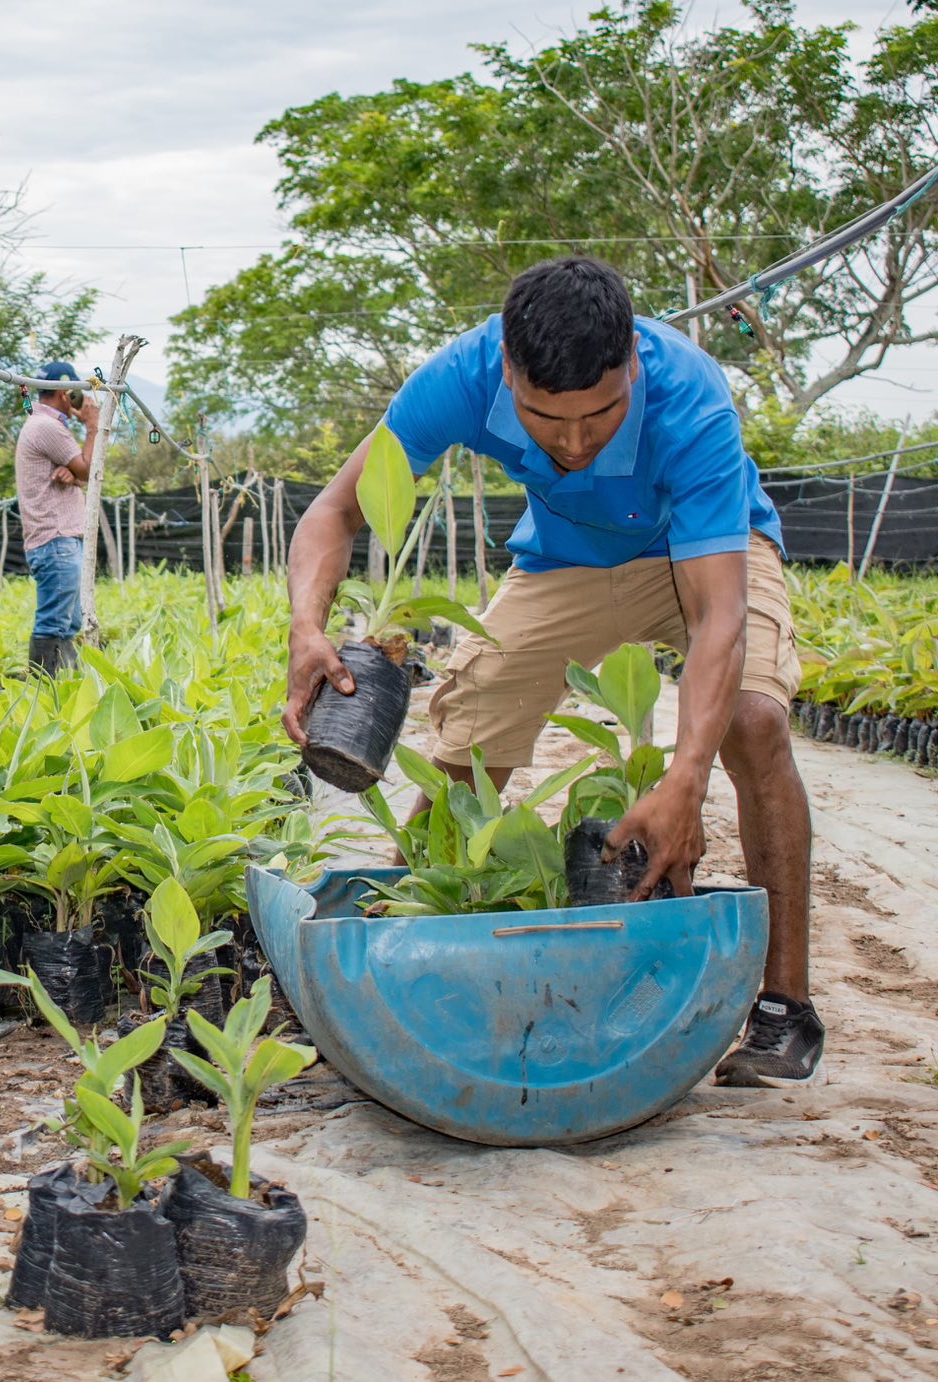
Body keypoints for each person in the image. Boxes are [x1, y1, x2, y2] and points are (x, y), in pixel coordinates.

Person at [282, 256, 820, 1088]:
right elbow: (335, 508)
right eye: (545, 420)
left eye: (600, 416)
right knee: (470, 733)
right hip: (566, 561)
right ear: (507, 370)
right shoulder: (459, 377)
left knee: (752, 720)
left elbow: (718, 613)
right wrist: (306, 626)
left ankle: (786, 1006)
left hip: (702, 551)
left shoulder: (691, 397)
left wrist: (686, 777)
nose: (572, 443)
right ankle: (409, 949)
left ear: (632, 363)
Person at [13, 361, 103, 673]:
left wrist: (73, 474)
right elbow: (90, 470)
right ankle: (43, 688)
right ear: (66, 393)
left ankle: (64, 686)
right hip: (56, 539)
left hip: (60, 540)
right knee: (54, 622)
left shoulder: (43, 424)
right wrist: (93, 425)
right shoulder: (47, 427)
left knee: (68, 623)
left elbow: (79, 472)